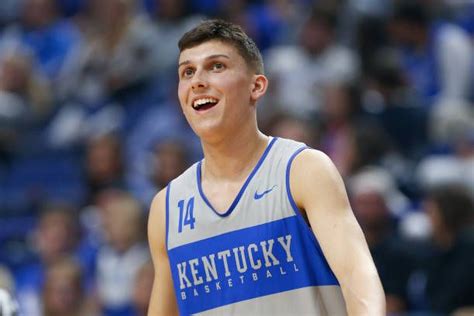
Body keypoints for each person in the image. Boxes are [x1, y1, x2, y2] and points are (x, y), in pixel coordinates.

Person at [147, 19, 385, 315]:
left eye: (216, 66)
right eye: (187, 72)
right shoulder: (166, 209)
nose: (197, 81)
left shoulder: (303, 170)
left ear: (256, 86)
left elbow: (357, 275)